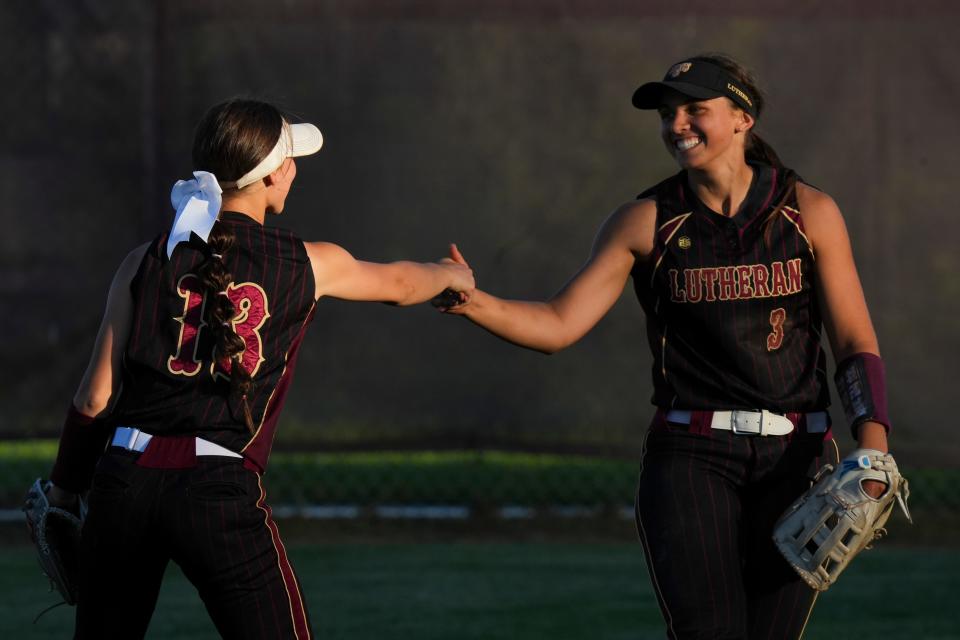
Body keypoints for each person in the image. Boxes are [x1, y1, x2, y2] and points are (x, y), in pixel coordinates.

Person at [437, 53, 893, 639]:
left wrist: (872, 450)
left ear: (741, 118)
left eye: (695, 109)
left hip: (797, 460)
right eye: (667, 113)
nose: (677, 124)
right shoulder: (646, 221)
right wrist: (472, 301)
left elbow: (855, 340)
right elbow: (557, 323)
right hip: (692, 458)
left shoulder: (809, 211)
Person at [41, 98, 474, 639]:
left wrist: (62, 493)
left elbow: (93, 400)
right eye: (290, 160)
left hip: (123, 482)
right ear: (271, 177)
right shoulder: (306, 261)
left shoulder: (145, 258)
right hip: (215, 490)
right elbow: (401, 286)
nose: (294, 169)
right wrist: (451, 274)